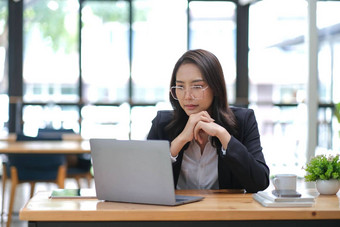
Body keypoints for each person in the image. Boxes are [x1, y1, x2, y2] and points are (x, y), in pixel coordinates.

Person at [147, 49, 269, 193]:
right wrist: (180, 140)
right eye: (180, 86)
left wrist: (223, 135)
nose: (187, 96)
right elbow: (143, 180)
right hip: (175, 214)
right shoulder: (162, 123)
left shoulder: (243, 120)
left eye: (197, 86)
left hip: (225, 213)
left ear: (215, 87)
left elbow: (259, 182)